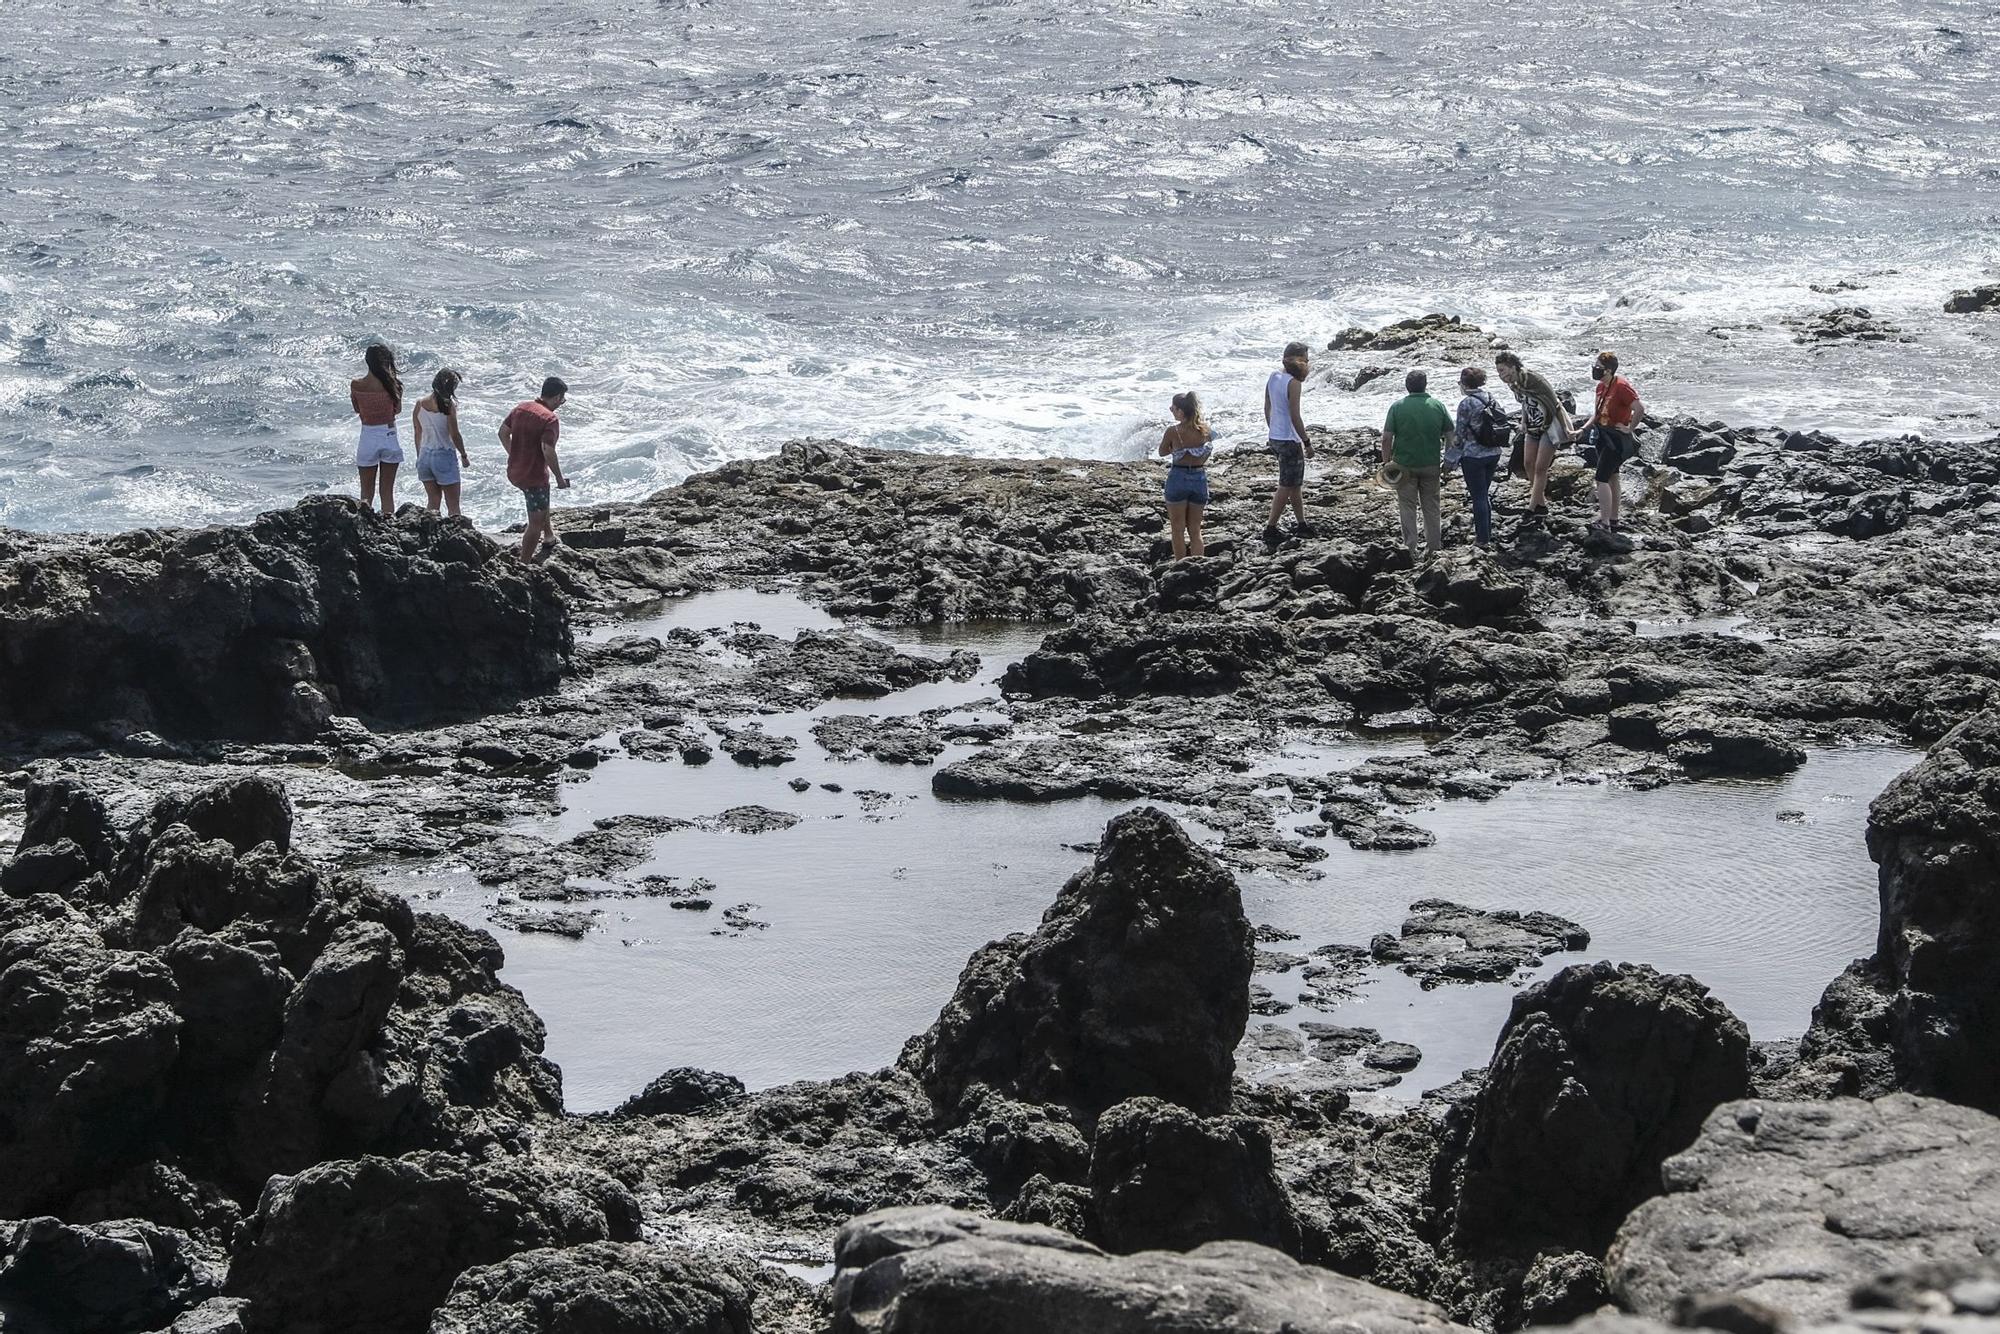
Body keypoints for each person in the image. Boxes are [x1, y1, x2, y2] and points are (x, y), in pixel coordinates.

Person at [1380, 369, 1453, 557]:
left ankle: (1411, 547)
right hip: (1431, 464)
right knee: (1432, 507)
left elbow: (1386, 438)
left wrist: (1386, 461)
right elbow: (1450, 435)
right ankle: (1433, 548)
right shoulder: (1437, 406)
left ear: (1407, 386)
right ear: (1425, 385)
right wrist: (1448, 460)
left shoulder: (1397, 407)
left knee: (1407, 507)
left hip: (1404, 465)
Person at [498, 375, 572, 561]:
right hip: (532, 476)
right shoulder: (550, 419)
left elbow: (502, 433)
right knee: (535, 523)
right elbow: (548, 450)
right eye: (561, 399)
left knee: (541, 499)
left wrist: (514, 454)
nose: (561, 403)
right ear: (556, 397)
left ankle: (549, 536)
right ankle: (524, 563)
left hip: (515, 471)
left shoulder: (521, 408)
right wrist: (560, 479)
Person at [1494, 350, 1571, 521]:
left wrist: (1566, 428)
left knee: (1540, 467)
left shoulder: (1534, 380)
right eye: (1498, 372)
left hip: (1548, 426)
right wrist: (1523, 422)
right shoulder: (1514, 384)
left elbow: (1555, 404)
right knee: (1528, 464)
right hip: (1532, 427)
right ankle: (1541, 503)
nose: (1501, 375)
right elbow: (1525, 402)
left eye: (1502, 370)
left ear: (1513, 367)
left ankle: (1531, 507)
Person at [1262, 342, 1315, 542]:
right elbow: (1295, 416)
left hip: (1275, 437)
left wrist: (1272, 429)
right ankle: (1270, 527)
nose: (1307, 364)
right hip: (1289, 440)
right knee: (1286, 485)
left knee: (1294, 485)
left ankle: (1301, 523)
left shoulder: (1274, 376)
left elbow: (1267, 407)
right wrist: (1307, 442)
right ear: (1294, 359)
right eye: (1305, 360)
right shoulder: (1293, 383)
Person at [1588, 349, 1643, 532]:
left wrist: (1630, 428)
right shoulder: (1601, 387)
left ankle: (1604, 522)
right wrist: (1582, 429)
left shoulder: (1621, 386)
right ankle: (1613, 518)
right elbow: (1596, 413)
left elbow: (1639, 408)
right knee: (1613, 476)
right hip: (1602, 435)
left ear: (1609, 370)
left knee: (1601, 478)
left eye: (1599, 367)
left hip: (1615, 439)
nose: (1595, 370)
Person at [1452, 366, 1508, 547]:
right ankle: (1486, 534)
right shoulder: (1491, 398)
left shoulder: (1466, 403)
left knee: (1478, 497)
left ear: (1464, 384)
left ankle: (1482, 539)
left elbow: (1459, 435)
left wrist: (1450, 459)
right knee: (1483, 495)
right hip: (1494, 453)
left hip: (1473, 457)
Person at [1158, 390, 1213, 559]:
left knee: (1177, 528)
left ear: (1180, 411)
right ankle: (1198, 564)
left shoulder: (1173, 431)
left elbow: (1161, 452)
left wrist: (1176, 449)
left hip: (1178, 478)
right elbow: (1206, 453)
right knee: (1195, 530)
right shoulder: (1205, 429)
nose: (1171, 410)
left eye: (1173, 408)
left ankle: (1180, 565)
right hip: (1199, 478)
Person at [349, 344, 403, 514]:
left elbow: (357, 409)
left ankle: (365, 528)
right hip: (389, 435)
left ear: (367, 361)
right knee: (387, 493)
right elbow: (398, 410)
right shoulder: (394, 385)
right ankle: (389, 527)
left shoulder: (357, 384)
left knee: (366, 492)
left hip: (368, 437)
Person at [412, 368, 472, 518]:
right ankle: (457, 537)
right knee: (453, 506)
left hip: (424, 456)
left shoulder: (420, 404)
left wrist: (419, 456)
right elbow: (455, 434)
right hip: (443, 456)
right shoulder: (448, 406)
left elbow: (417, 432)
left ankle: (430, 535)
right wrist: (464, 455)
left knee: (433, 502)